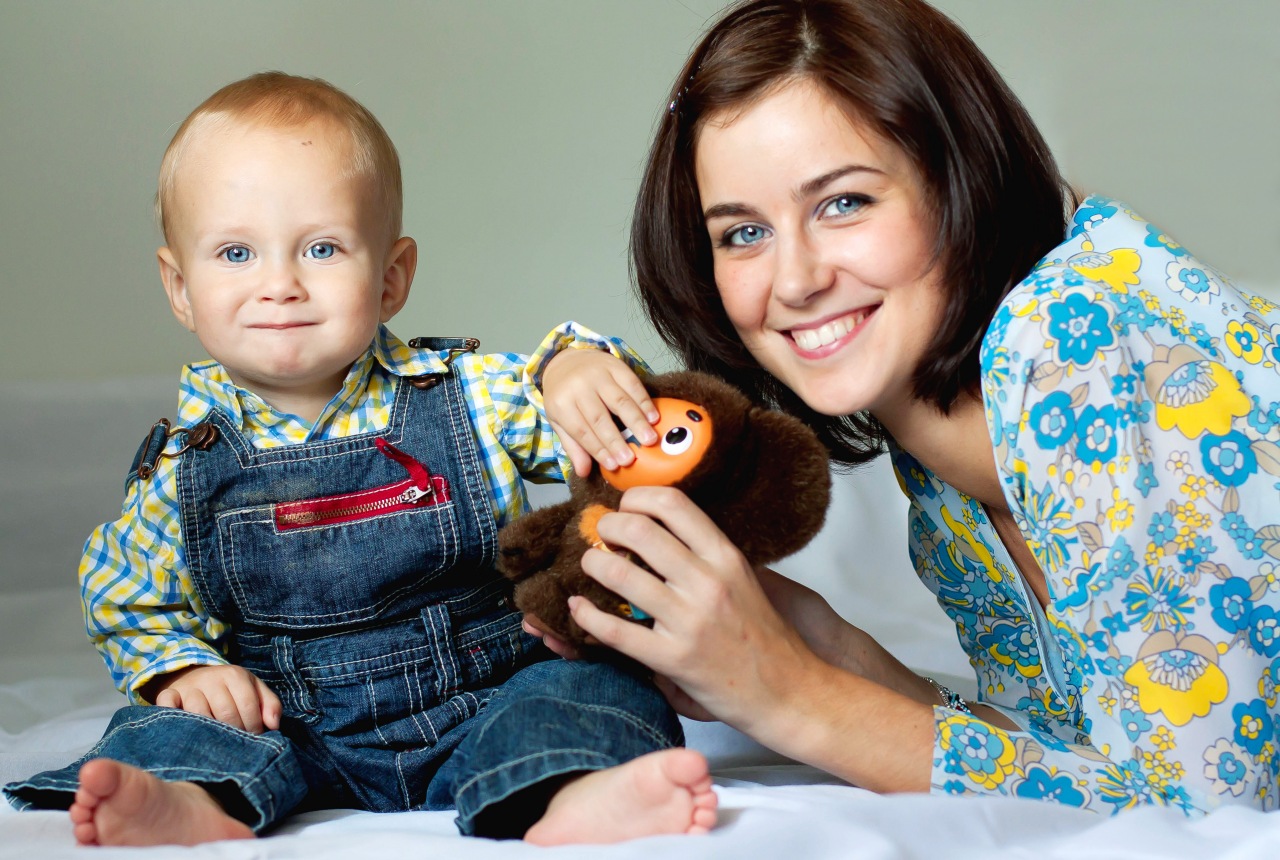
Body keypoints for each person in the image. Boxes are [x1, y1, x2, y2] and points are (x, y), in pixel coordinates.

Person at [533, 0, 1280, 816]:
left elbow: (1206, 817)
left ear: (959, 181)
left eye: (843, 203)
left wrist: (789, 694)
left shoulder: (1075, 336)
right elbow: (1085, 763)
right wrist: (822, 645)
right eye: (743, 233)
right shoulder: (935, 463)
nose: (795, 281)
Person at [1, 71, 717, 846]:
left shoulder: (469, 396)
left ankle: (570, 787)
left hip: (487, 695)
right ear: (180, 287)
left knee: (589, 685)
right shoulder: (185, 465)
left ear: (391, 278)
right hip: (287, 725)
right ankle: (190, 802)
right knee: (169, 731)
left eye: (322, 248)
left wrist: (574, 367)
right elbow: (128, 594)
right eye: (236, 252)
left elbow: (622, 442)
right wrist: (183, 671)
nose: (280, 285)